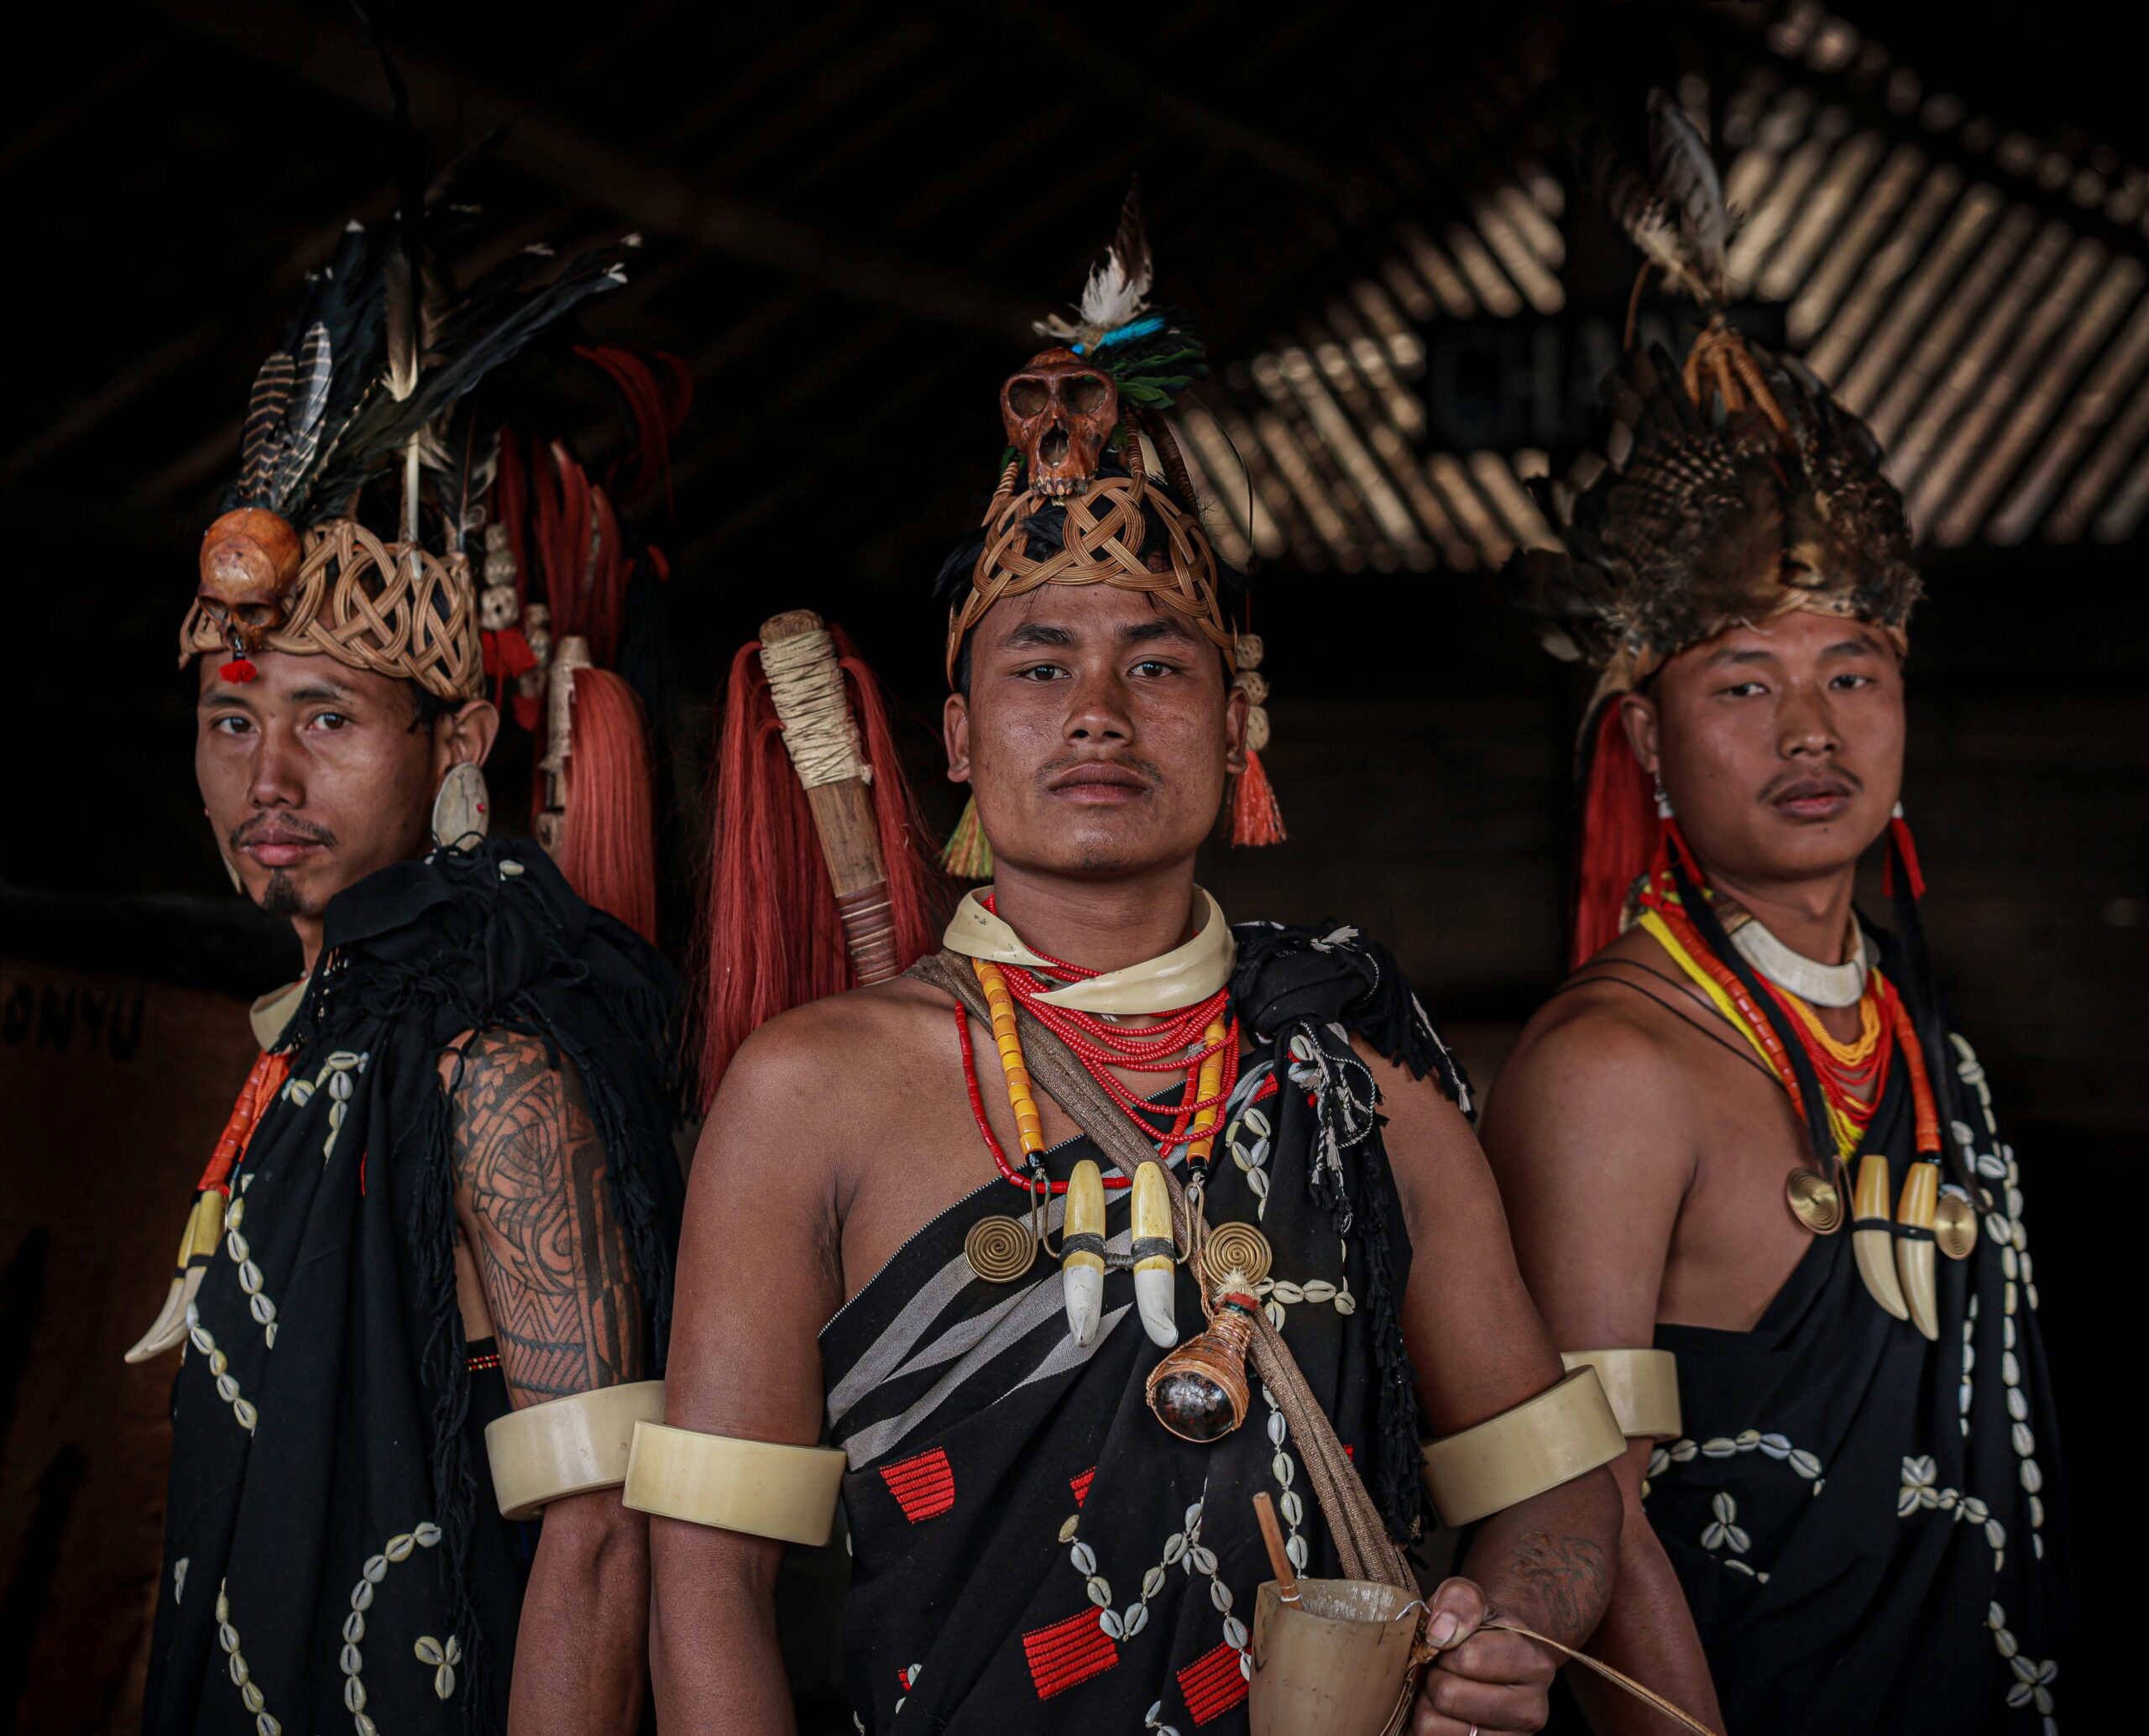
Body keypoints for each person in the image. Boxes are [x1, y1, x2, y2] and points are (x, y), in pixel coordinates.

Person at [638, 205, 1624, 1736]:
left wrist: (1516, 1631)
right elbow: (704, 1585)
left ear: (1239, 731)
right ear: (960, 738)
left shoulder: (1359, 1082)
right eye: (1038, 665)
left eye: (1159, 665)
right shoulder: (811, 1092)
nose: (1098, 709)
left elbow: (1560, 1497)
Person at [1488, 91, 2072, 1735]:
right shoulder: (1611, 1067)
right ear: (1646, 740)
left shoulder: (1901, 1015)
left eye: (1849, 672)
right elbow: (1579, 1513)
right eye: (1741, 680)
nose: (1810, 729)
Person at [131, 196, 684, 1736]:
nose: (269, 777)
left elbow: (599, 1534)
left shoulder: (485, 1060)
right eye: (232, 720)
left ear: (456, 742)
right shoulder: (322, 1037)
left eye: (330, 717)